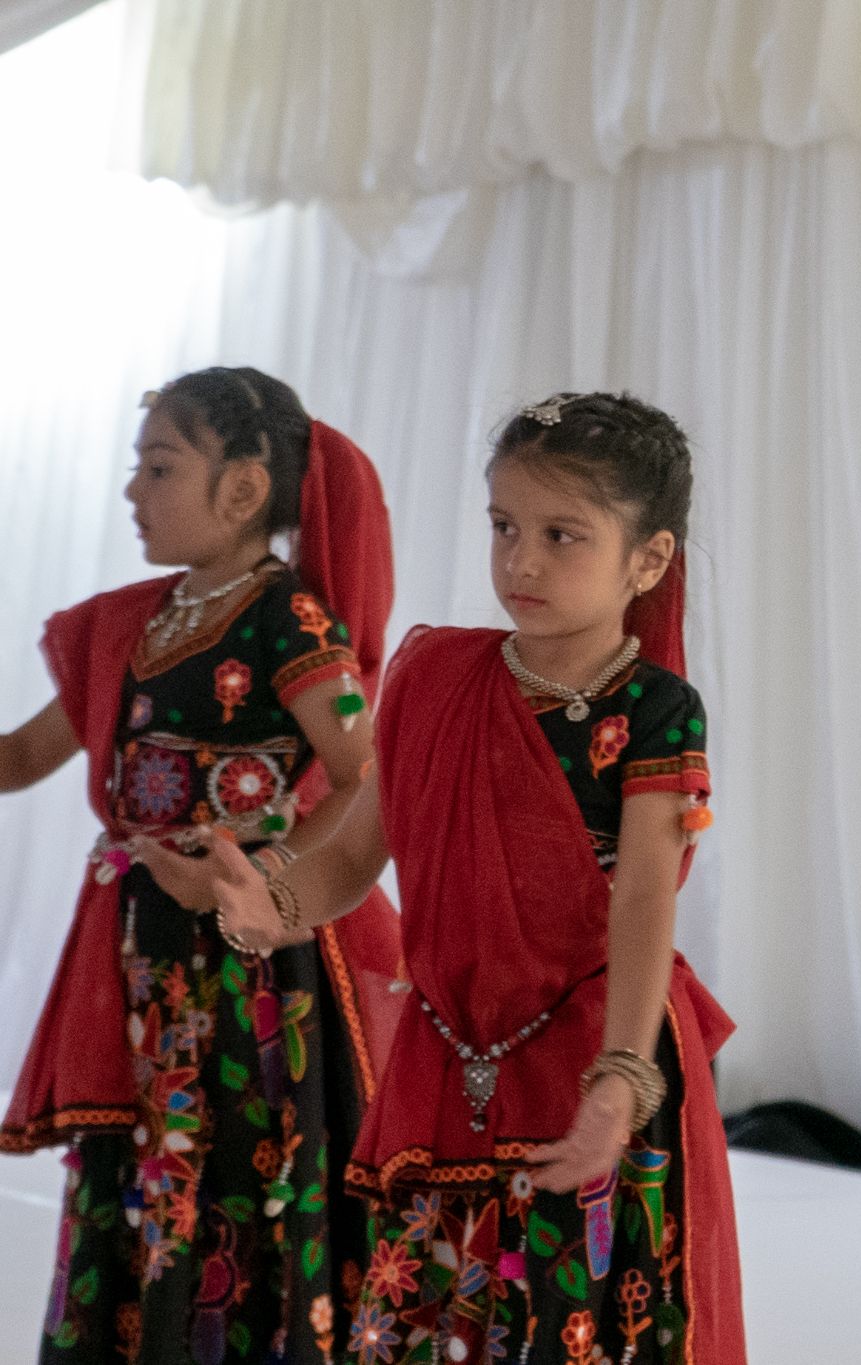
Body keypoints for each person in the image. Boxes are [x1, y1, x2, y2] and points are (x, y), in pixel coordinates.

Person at [144, 391, 744, 1364]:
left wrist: (623, 1080)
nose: (522, 561)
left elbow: (644, 897)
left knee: (573, 1328)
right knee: (419, 1327)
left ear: (650, 560)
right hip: (442, 1064)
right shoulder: (434, 679)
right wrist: (269, 903)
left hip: (590, 1062)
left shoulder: (654, 711)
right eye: (504, 526)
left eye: (562, 535)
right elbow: (350, 857)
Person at [0, 367, 402, 1362]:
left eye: (158, 467)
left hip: (242, 968)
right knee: (139, 1174)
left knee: (229, 1178)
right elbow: (18, 759)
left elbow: (362, 771)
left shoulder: (287, 620)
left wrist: (269, 886)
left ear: (240, 489)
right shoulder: (135, 625)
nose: (133, 493)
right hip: (141, 954)